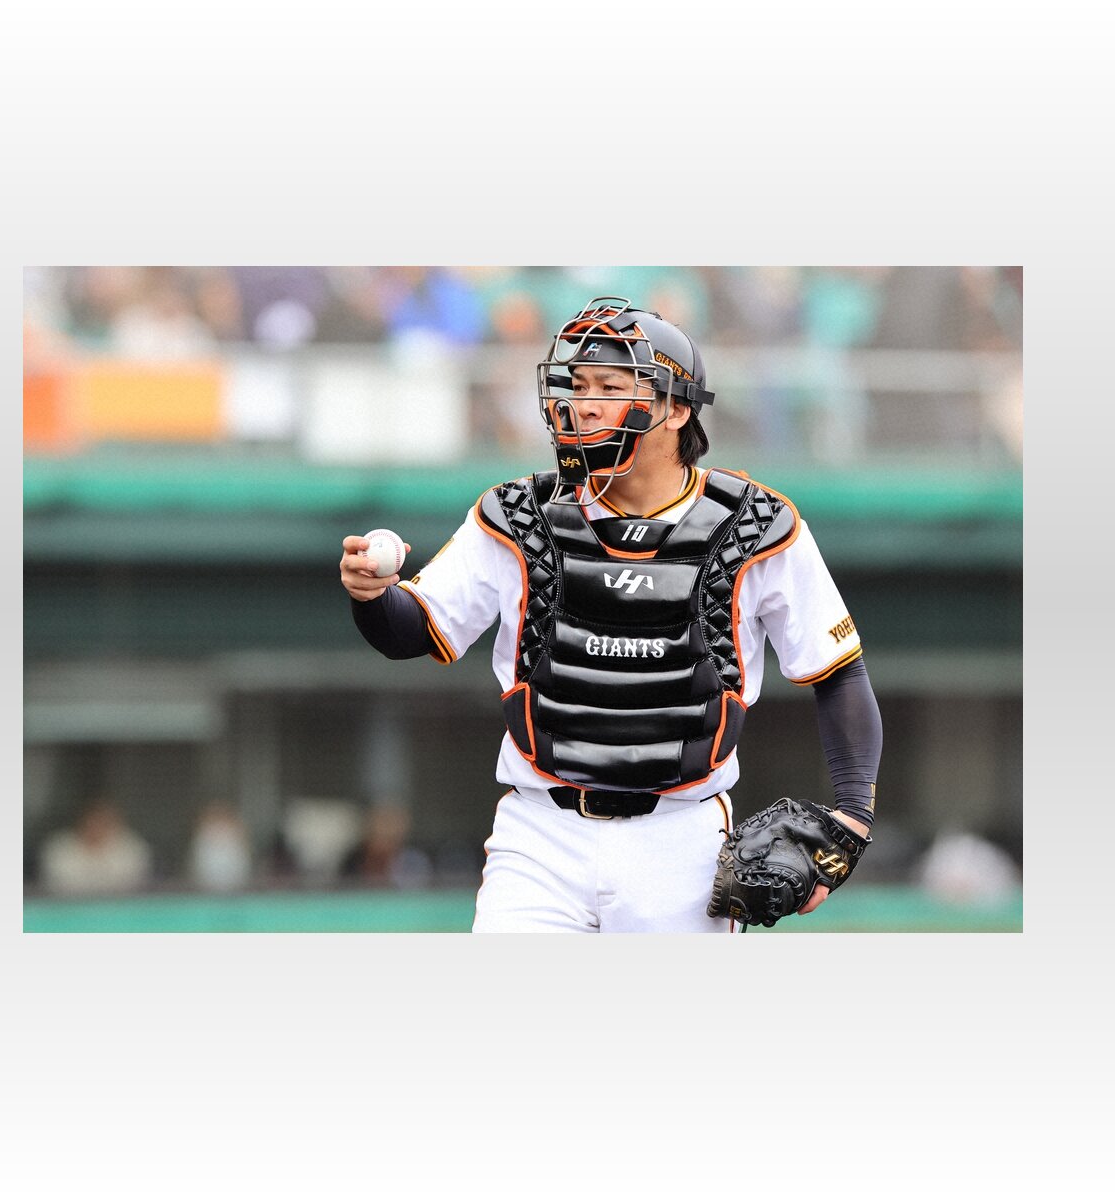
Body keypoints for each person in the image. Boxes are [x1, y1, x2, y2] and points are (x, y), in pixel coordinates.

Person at [339, 296, 882, 933]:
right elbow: (410, 631)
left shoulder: (757, 525)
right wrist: (372, 595)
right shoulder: (518, 515)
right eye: (578, 385)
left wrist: (852, 819)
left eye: (611, 387)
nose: (585, 403)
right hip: (540, 835)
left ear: (676, 408)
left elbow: (838, 672)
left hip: (682, 839)